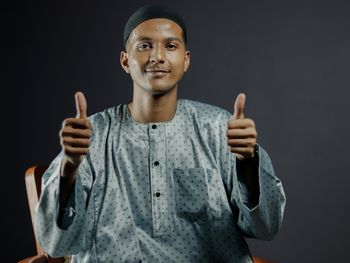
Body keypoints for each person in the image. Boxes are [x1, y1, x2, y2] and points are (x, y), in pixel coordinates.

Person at [35, 4, 286, 263]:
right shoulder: (92, 137)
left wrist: (247, 163)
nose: (157, 56)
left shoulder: (219, 129)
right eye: (144, 45)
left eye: (170, 46)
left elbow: (266, 227)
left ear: (186, 60)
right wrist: (69, 169)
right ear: (125, 60)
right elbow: (57, 245)